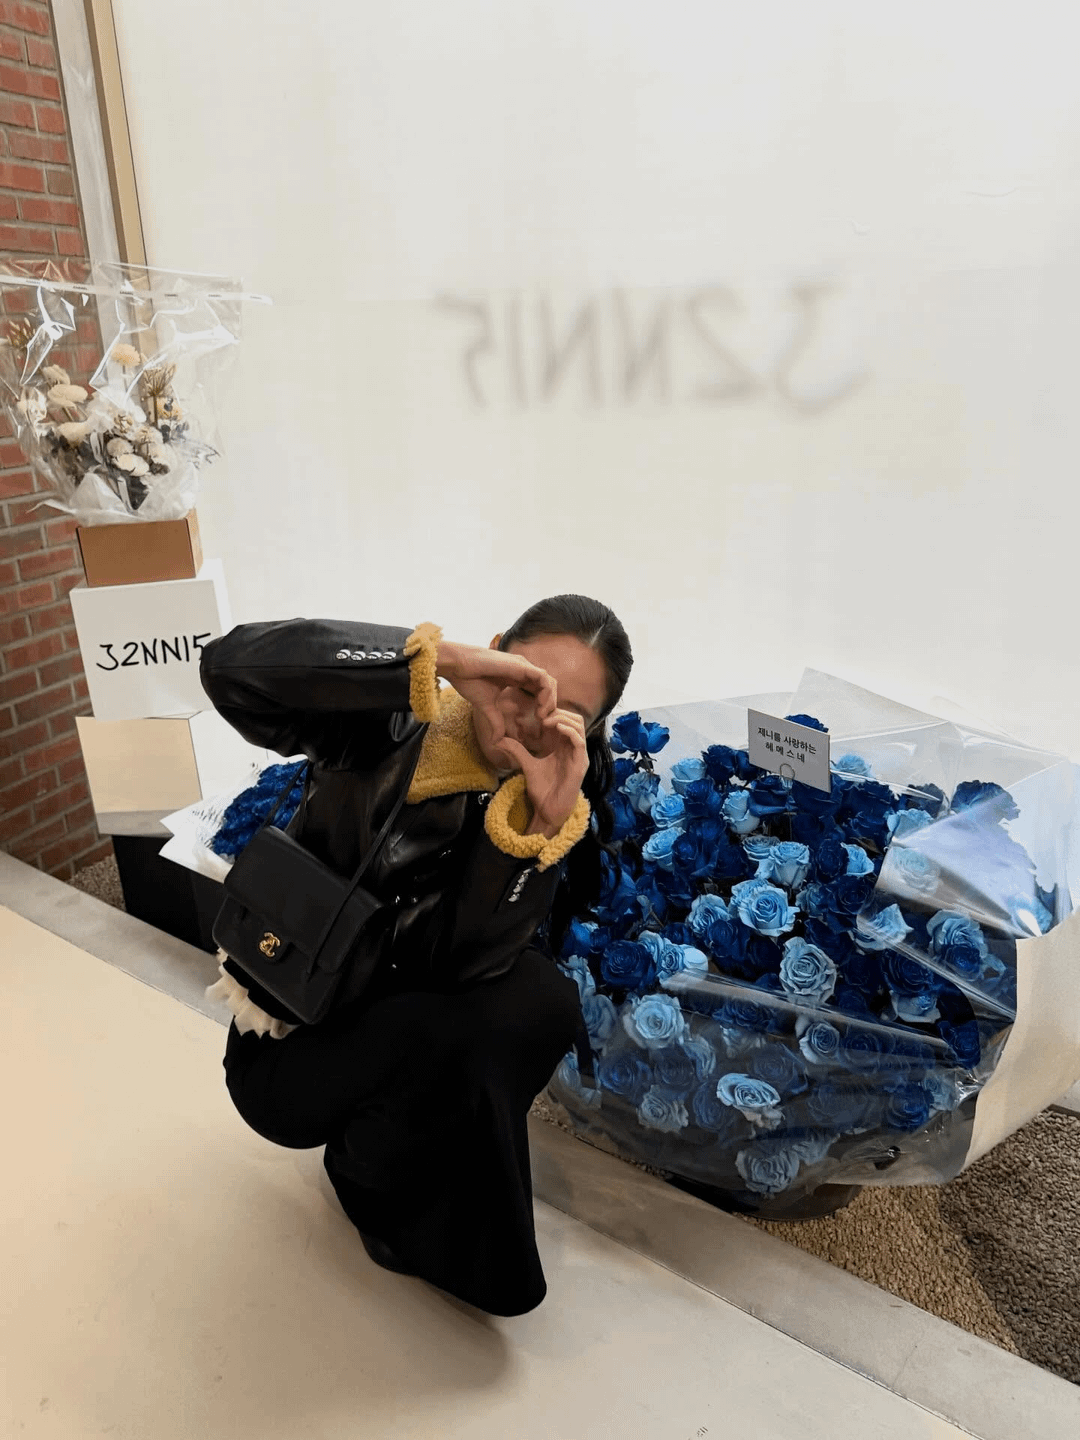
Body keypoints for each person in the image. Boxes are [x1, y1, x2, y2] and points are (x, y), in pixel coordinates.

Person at [198, 595, 633, 1316]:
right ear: (497, 649)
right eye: (528, 682)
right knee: (478, 1022)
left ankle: (397, 1179)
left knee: (536, 1001)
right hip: (290, 1040)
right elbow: (230, 670)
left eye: (567, 712)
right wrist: (443, 662)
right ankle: (368, 1175)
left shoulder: (549, 790)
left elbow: (459, 965)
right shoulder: (391, 723)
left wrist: (536, 823)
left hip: (395, 1027)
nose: (534, 717)